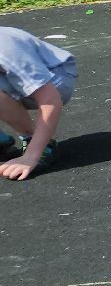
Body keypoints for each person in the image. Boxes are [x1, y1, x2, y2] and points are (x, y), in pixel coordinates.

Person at [0, 27, 75, 180]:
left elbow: (50, 100)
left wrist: (30, 157)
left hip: (57, 78)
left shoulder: (5, 50)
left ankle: (36, 142)